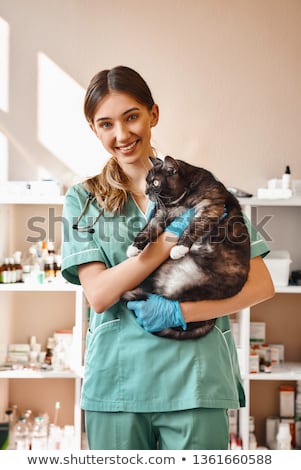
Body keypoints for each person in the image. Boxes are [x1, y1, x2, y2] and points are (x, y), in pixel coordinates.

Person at [61, 65, 274, 450]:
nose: (122, 135)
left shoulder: (202, 187)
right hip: (118, 382)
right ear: (94, 130)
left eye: (132, 117)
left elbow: (260, 283)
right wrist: (167, 238)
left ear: (153, 115)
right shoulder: (83, 199)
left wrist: (182, 313)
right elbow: (99, 294)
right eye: (106, 124)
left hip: (196, 380)